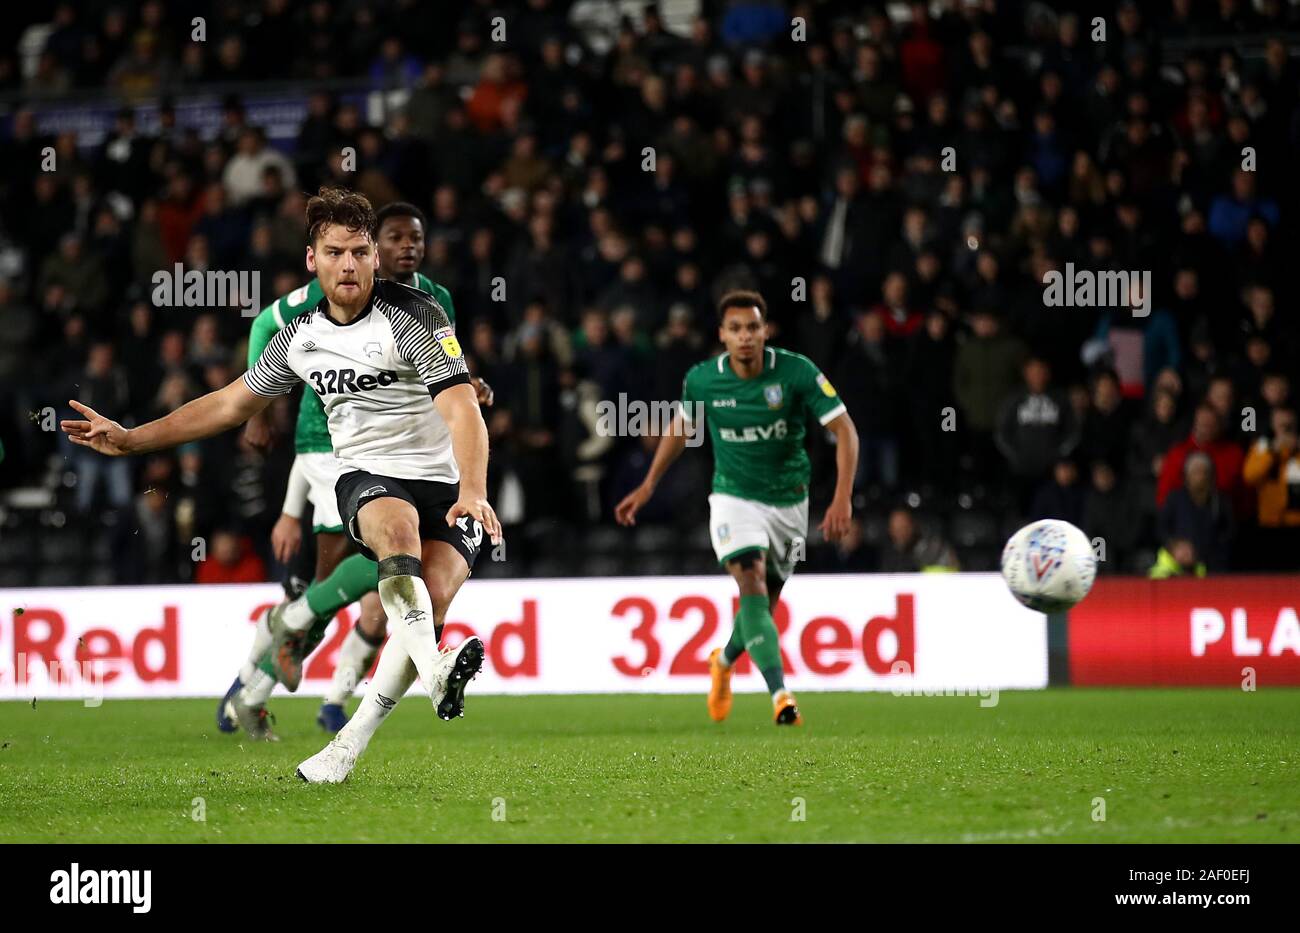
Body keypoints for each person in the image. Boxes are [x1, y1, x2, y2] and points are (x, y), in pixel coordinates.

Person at [62, 188, 502, 784]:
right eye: (335, 252)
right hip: (370, 476)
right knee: (396, 538)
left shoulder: (416, 318)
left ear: (375, 259)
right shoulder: (299, 339)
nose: (349, 264)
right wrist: (133, 439)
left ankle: (346, 748)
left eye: (360, 252)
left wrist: (472, 490)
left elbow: (462, 412)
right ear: (311, 260)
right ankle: (437, 668)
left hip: (448, 481)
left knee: (435, 598)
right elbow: (226, 406)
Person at [218, 200, 492, 738]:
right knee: (359, 573)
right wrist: (260, 406)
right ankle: (264, 669)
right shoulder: (317, 303)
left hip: (417, 464)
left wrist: (469, 390)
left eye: (414, 238)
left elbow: (440, 376)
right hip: (332, 454)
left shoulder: (432, 300)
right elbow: (263, 330)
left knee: (388, 585)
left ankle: (328, 696)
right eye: (393, 238)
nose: (405, 247)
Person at [615, 290, 859, 726]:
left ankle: (723, 662)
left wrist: (842, 497)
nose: (745, 336)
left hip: (789, 502)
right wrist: (649, 484)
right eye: (736, 329)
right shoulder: (704, 379)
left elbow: (845, 430)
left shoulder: (797, 371)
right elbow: (681, 429)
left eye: (752, 327)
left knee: (762, 605)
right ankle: (782, 697)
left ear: (765, 331)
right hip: (732, 498)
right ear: (722, 335)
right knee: (750, 582)